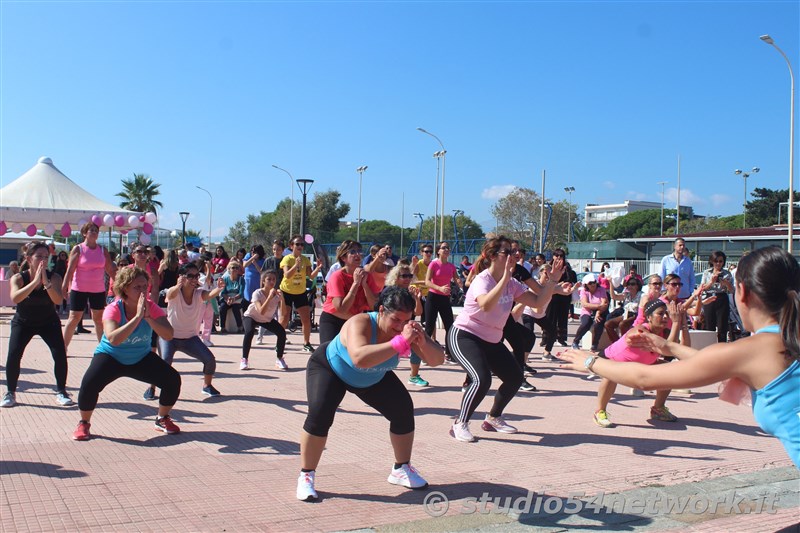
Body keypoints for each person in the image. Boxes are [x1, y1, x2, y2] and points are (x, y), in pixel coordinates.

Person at [560, 246, 800, 467]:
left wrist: (591, 362)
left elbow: (645, 378)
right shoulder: (782, 340)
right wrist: (669, 347)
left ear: (743, 292)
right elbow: (708, 359)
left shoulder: (749, 350)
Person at [296, 287, 445, 501]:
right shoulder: (361, 322)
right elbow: (360, 358)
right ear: (382, 310)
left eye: (406, 320)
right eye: (396, 320)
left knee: (403, 409)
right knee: (320, 414)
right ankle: (306, 475)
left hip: (372, 376)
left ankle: (401, 469)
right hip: (330, 368)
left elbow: (437, 360)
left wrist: (422, 341)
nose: (401, 326)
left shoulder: (406, 330)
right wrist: (401, 342)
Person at [446, 237, 564, 442]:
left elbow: (537, 302)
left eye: (514, 251)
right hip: (465, 335)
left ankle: (493, 418)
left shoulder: (512, 283)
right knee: (482, 379)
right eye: (507, 252)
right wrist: (505, 278)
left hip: (491, 339)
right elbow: (486, 305)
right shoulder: (482, 280)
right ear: (492, 256)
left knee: (515, 377)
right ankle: (460, 423)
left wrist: (552, 282)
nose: (513, 256)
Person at [72, 267, 181, 440]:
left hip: (140, 358)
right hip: (111, 356)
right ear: (124, 289)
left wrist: (147, 317)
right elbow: (114, 339)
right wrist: (137, 317)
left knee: (172, 379)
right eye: (137, 287)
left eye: (145, 286)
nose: (143, 291)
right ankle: (84, 423)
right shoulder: (114, 308)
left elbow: (168, 334)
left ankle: (162, 418)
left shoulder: (151, 307)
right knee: (89, 384)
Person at [589, 298, 686, 428]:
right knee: (610, 373)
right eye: (660, 313)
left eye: (667, 314)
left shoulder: (665, 333)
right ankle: (600, 411)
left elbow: (676, 351)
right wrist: (675, 323)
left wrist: (681, 324)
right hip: (609, 362)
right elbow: (666, 349)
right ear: (649, 317)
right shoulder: (640, 330)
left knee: (668, 369)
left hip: (638, 366)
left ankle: (658, 409)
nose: (665, 317)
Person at [1, 242, 74, 408]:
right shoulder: (18, 278)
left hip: (48, 321)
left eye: (46, 257)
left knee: (60, 353)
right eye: (39, 256)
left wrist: (45, 282)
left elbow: (57, 300)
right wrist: (34, 282)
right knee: (13, 354)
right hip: (23, 322)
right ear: (28, 258)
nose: (43, 260)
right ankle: (10, 392)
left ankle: (61, 391)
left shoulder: (54, 277)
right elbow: (15, 298)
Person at [143, 263, 224, 401]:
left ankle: (207, 386)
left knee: (209, 360)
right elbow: (171, 293)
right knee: (163, 363)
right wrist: (178, 285)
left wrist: (219, 288)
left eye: (196, 276)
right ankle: (151, 388)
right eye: (190, 276)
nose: (194, 279)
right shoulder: (174, 293)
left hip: (190, 338)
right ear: (181, 277)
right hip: (169, 337)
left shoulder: (198, 294)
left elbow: (209, 294)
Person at [61, 222, 116, 350]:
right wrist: (64, 287)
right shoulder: (78, 249)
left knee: (98, 319)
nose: (94, 232)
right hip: (79, 288)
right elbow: (70, 270)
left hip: (97, 289)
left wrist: (119, 285)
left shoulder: (103, 250)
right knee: (74, 317)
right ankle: (63, 347)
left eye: (96, 231)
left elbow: (110, 269)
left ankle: (103, 348)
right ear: (85, 233)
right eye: (91, 230)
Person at [318, 240, 379, 344]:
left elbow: (374, 306)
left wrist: (364, 285)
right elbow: (342, 309)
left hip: (354, 322)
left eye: (359, 251)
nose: (357, 254)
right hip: (333, 321)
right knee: (327, 355)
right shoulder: (337, 276)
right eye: (352, 252)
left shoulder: (367, 276)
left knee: (354, 357)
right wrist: (355, 284)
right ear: (343, 258)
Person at [383, 260, 428, 386]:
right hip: (391, 326)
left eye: (409, 276)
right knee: (387, 352)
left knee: (417, 345)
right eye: (404, 276)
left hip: (406, 326)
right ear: (396, 277)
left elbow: (418, 312)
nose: (408, 279)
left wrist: (416, 299)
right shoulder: (389, 292)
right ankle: (379, 376)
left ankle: (414, 376)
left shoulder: (411, 291)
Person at [280, 236, 323, 352]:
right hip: (286, 291)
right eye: (297, 244)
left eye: (302, 245)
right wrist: (296, 265)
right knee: (284, 318)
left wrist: (318, 268)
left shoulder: (305, 259)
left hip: (300, 292)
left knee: (306, 319)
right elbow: (287, 275)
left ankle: (306, 343)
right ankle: (280, 343)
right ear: (291, 246)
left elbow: (311, 276)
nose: (300, 246)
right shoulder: (287, 259)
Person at [241, 270, 288, 371]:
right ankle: (244, 359)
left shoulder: (277, 295)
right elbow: (261, 311)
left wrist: (282, 299)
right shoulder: (257, 293)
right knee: (249, 332)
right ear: (263, 281)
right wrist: (270, 297)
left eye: (274, 279)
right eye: (269, 279)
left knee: (281, 332)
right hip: (251, 316)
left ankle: (279, 359)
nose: (272, 282)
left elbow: (283, 313)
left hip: (266, 319)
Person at [424, 241, 463, 360]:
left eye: (448, 248)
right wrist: (439, 288)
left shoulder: (451, 266)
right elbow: (427, 281)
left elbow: (456, 278)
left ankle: (449, 353)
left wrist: (459, 282)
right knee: (429, 327)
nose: (446, 250)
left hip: (444, 299)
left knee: (449, 326)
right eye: (443, 248)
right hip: (433, 297)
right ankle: (424, 354)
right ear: (438, 251)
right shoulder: (433, 264)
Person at [701, 251, 734, 343]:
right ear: (712, 261)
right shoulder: (707, 273)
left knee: (722, 326)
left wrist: (726, 283)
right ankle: (709, 346)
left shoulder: (727, 273)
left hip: (722, 298)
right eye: (716, 261)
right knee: (709, 325)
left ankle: (721, 346)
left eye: (721, 261)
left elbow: (732, 290)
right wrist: (711, 281)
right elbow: (703, 288)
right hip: (709, 298)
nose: (718, 264)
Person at [571, 273, 608, 352]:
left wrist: (598, 312)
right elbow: (585, 304)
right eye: (590, 283)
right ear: (586, 284)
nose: (593, 284)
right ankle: (575, 341)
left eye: (594, 282)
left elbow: (604, 303)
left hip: (600, 311)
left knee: (598, 323)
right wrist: (598, 306)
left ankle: (595, 344)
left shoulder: (601, 289)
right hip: (587, 311)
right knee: (586, 323)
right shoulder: (584, 291)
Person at [605, 277, 644, 344]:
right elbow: (613, 296)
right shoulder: (627, 295)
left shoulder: (642, 295)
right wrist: (611, 282)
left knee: (622, 324)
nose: (630, 286)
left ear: (637, 286)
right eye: (628, 284)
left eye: (632, 284)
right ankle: (617, 343)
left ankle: (625, 343)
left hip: (635, 316)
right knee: (608, 324)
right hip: (625, 315)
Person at [218, 260, 245, 333]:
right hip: (227, 298)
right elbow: (223, 292)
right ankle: (223, 327)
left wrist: (234, 299)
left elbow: (241, 292)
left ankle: (240, 327)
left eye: (237, 268)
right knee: (223, 307)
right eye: (233, 268)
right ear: (229, 269)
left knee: (236, 308)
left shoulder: (241, 279)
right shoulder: (225, 279)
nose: (235, 269)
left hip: (237, 298)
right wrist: (228, 299)